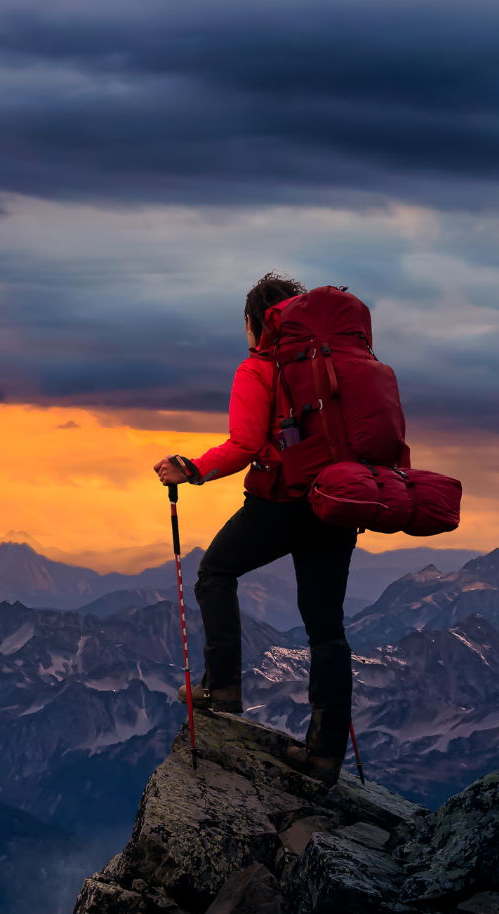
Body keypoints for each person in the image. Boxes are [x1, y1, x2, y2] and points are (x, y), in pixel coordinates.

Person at [153, 272, 356, 784]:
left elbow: (244, 444)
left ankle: (222, 687)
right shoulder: (339, 367)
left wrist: (191, 467)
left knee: (215, 571)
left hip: (282, 501)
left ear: (253, 324)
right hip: (338, 503)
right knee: (326, 629)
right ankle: (325, 753)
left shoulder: (258, 369)